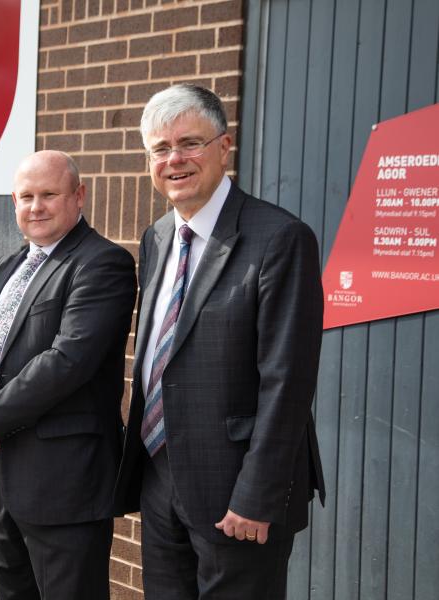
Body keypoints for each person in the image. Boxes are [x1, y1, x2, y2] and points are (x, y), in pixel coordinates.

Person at [113, 83, 325, 599]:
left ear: (224, 147)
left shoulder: (279, 238)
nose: (175, 159)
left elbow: (287, 381)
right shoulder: (158, 236)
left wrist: (258, 494)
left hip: (237, 490)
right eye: (160, 149)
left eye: (190, 143)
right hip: (162, 477)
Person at [0, 150, 136, 600]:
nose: (35, 206)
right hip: (3, 475)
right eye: (26, 196)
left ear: (79, 196)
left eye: (49, 195)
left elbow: (68, 360)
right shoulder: (9, 265)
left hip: (65, 485)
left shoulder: (102, 264)